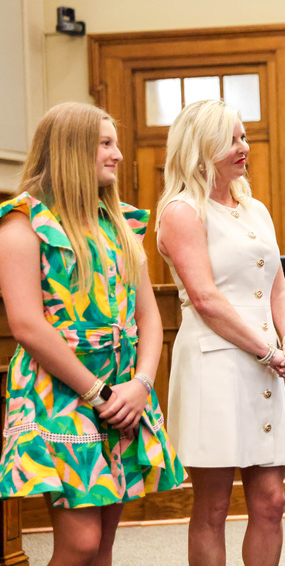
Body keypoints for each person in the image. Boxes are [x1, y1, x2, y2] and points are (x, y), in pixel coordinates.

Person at [0, 102, 185, 565]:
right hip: (59, 391)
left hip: (123, 390)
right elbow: (25, 324)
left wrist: (141, 384)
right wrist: (98, 393)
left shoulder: (120, 224)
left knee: (101, 546)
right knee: (79, 543)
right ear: (70, 149)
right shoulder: (23, 224)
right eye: (105, 143)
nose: (118, 154)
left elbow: (148, 317)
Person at [156, 99, 285, 566]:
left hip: (265, 363)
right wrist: (267, 350)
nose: (245, 147)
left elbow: (277, 286)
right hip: (215, 363)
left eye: (244, 136)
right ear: (202, 147)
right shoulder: (181, 211)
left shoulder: (253, 207)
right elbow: (205, 299)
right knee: (214, 506)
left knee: (271, 502)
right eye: (233, 139)